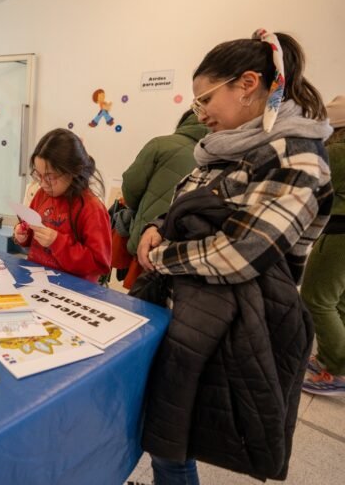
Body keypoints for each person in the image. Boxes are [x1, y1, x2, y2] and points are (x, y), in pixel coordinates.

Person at [137, 30, 333, 483]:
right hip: (191, 306)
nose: (199, 112)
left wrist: (161, 256)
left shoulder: (297, 156)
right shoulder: (232, 146)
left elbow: (241, 253)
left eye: (206, 98)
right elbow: (192, 204)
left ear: (247, 84)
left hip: (239, 319)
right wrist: (154, 225)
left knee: (174, 437)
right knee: (165, 428)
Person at [119, 110, 208, 287]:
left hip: (148, 239)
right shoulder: (217, 156)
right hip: (189, 249)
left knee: (138, 299)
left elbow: (131, 187)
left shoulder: (160, 145)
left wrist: (141, 212)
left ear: (183, 122)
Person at [12, 128, 111, 283]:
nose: (43, 183)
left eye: (50, 177)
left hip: (73, 290)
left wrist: (57, 242)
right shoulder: (41, 195)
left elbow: (99, 264)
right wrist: (23, 234)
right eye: (38, 175)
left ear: (73, 171)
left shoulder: (91, 208)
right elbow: (32, 233)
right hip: (37, 281)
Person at [300, 95, 345, 395]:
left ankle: (336, 369)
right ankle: (333, 359)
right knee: (340, 301)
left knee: (317, 299)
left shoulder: (339, 152)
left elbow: (309, 185)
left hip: (339, 234)